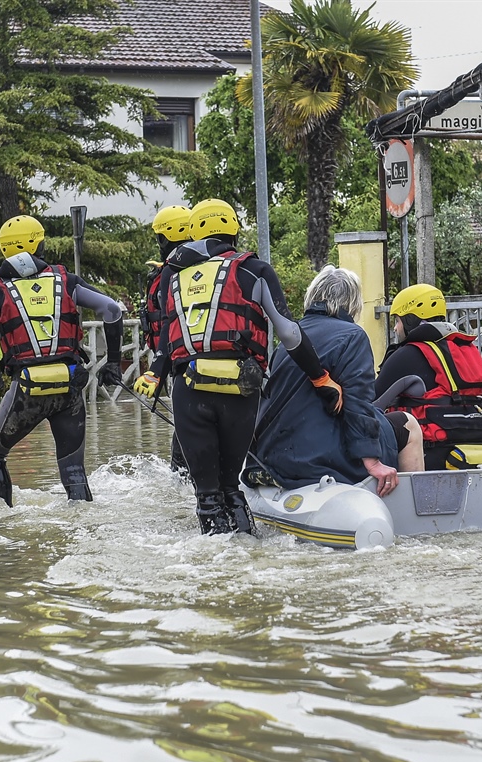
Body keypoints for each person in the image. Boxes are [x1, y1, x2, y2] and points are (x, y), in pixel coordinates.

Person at [133, 198, 345, 536]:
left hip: (190, 389)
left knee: (206, 496)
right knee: (232, 488)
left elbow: (167, 340)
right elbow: (289, 333)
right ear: (234, 230)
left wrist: (154, 373)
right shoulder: (254, 270)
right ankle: (248, 552)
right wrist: (320, 377)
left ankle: (216, 569)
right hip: (241, 387)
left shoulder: (171, 277)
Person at [0, 214, 124, 506]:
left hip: (26, 391)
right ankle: (83, 523)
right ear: (39, 245)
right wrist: (113, 362)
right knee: (74, 471)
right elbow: (112, 310)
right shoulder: (68, 282)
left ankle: (4, 528)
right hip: (69, 387)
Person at [248, 266, 424, 498]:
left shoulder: (290, 338)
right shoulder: (353, 335)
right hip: (320, 458)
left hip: (276, 457)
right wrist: (372, 462)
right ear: (352, 303)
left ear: (312, 297)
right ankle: (416, 508)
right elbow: (358, 403)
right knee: (408, 424)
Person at [374, 283, 482, 471]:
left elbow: (371, 402)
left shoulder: (408, 354)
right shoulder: (463, 348)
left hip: (433, 452)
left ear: (410, 320)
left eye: (397, 320)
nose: (395, 328)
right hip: (476, 450)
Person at [138, 205, 192, 473]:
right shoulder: (216, 265)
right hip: (218, 356)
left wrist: (156, 370)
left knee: (186, 426)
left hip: (178, 360)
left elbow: (170, 321)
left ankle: (178, 476)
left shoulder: (171, 270)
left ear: (165, 237)